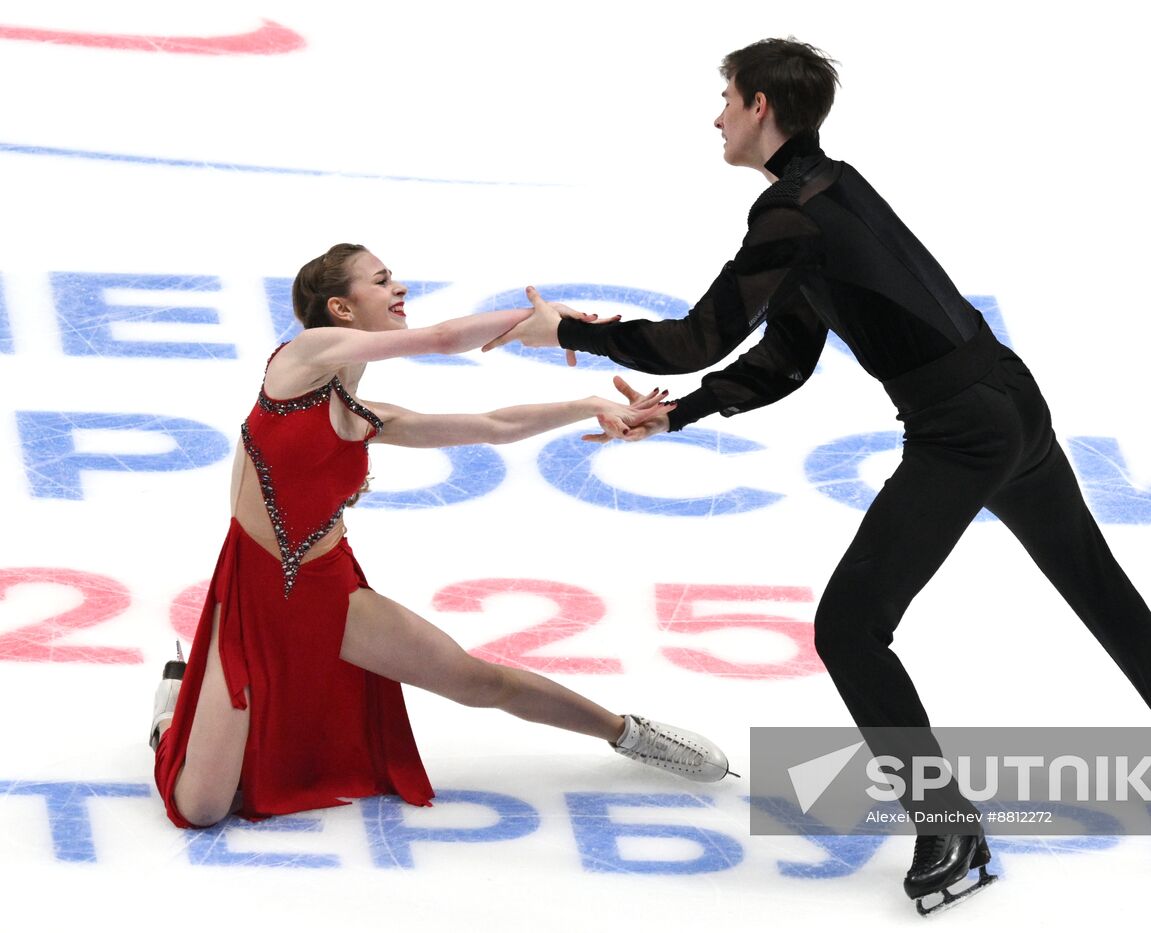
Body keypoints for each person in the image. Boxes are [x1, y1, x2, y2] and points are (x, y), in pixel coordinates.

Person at [482, 39, 1151, 913]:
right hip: (1008, 397)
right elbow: (784, 359)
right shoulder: (829, 192)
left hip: (962, 429)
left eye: (727, 99)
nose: (718, 116)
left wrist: (572, 332)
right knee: (1090, 578)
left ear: (762, 106)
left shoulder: (790, 217)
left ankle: (948, 822)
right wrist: (681, 412)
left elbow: (699, 338)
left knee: (849, 629)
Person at [148, 243, 732, 830]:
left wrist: (586, 404)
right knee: (201, 807)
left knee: (478, 681)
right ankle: (173, 711)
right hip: (256, 595)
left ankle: (629, 733)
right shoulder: (302, 357)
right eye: (381, 281)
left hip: (328, 591)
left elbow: (493, 427)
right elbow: (443, 337)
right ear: (341, 308)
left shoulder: (361, 413)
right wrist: (560, 326)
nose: (399, 289)